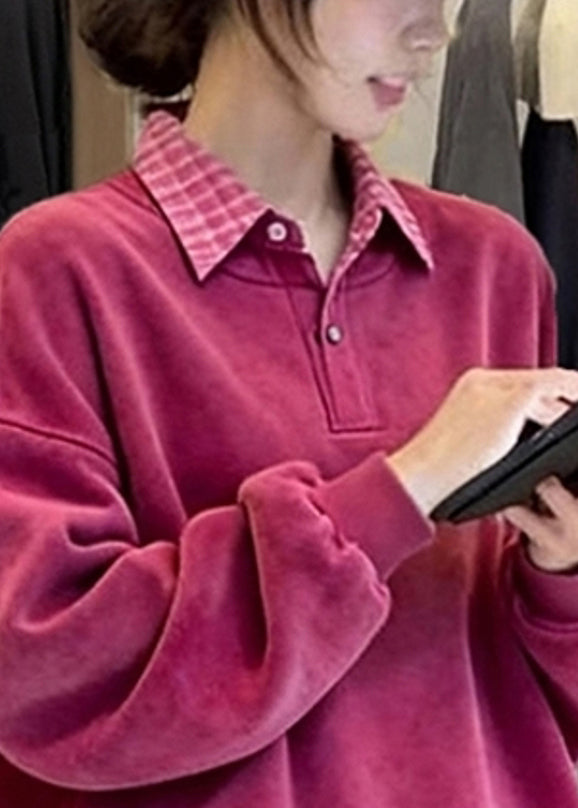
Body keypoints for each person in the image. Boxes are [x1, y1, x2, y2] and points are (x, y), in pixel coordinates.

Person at [1, 1, 578, 806]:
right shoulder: (56, 271)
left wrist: (562, 573)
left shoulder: (495, 267)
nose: (434, 32)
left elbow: (537, 702)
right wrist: (403, 487)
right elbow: (40, 675)